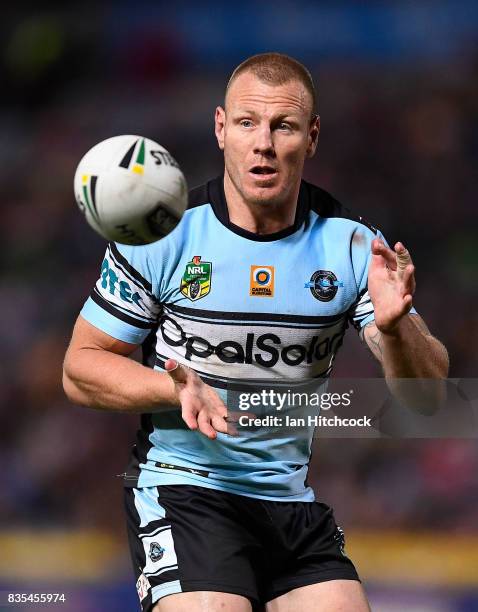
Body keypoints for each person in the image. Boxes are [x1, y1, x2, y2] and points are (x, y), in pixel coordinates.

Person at [63, 53, 449, 612]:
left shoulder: (351, 245)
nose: (262, 143)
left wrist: (394, 331)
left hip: (289, 504)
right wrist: (173, 388)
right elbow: (80, 369)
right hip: (184, 491)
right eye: (247, 123)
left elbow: (429, 397)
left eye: (283, 126)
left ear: (311, 137)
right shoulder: (162, 233)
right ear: (221, 129)